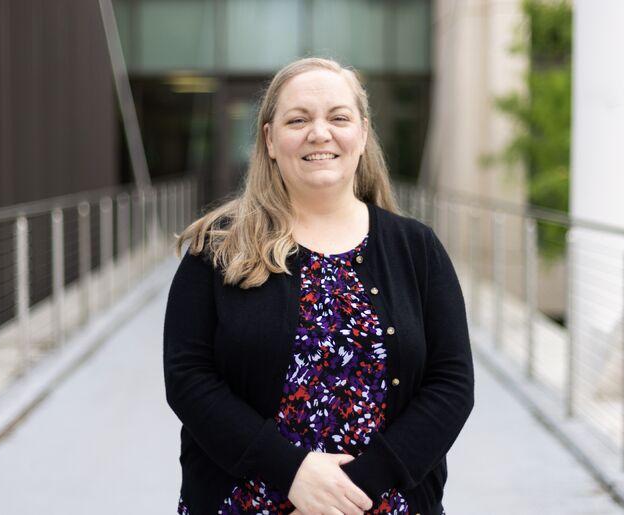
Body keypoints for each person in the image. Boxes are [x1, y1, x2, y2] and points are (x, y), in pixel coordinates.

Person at [163, 56, 474, 515]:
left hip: (385, 504)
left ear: (363, 134)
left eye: (339, 117)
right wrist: (292, 473)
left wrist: (355, 488)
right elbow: (188, 379)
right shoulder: (217, 247)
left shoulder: (417, 249)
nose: (319, 133)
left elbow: (452, 385)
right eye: (298, 119)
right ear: (270, 139)